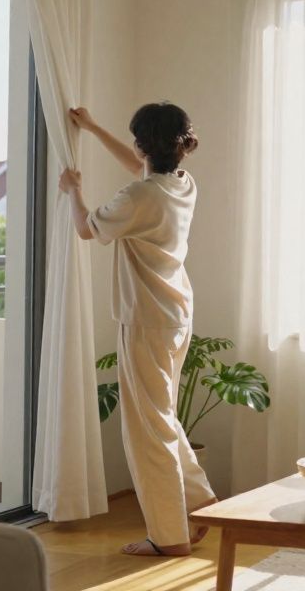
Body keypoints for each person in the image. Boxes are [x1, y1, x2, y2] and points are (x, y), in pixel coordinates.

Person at [59, 101, 215, 557]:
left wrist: (72, 189)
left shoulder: (136, 198)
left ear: (142, 142)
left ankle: (169, 537)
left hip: (146, 319)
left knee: (147, 429)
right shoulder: (182, 185)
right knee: (160, 417)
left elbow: (87, 229)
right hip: (176, 313)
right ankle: (200, 503)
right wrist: (92, 128)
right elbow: (139, 166)